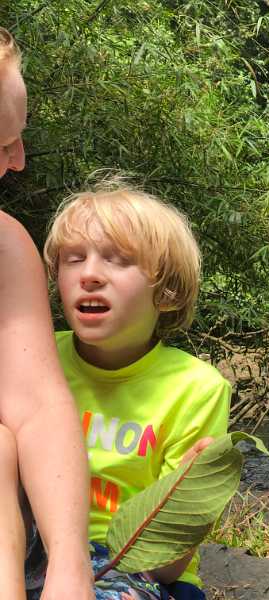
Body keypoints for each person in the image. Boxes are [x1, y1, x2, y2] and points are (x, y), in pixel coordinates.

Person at [41, 178, 231, 600]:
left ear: (167, 292)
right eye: (74, 259)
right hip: (35, 544)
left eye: (118, 260)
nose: (90, 275)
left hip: (134, 567)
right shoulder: (36, 355)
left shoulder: (195, 388)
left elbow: (165, 566)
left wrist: (187, 494)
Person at [0, 26, 94, 600]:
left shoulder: (6, 247)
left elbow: (37, 407)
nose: (18, 162)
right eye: (1, 144)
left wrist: (69, 561)